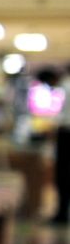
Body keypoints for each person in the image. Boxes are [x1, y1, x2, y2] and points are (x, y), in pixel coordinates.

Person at [54, 68, 70, 224]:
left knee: (63, 174)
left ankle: (62, 213)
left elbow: (60, 113)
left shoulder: (65, 85)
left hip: (66, 133)